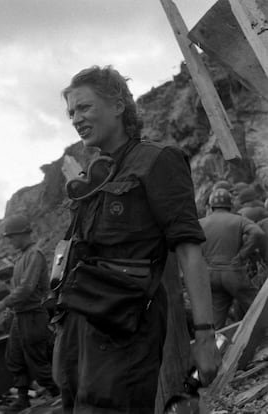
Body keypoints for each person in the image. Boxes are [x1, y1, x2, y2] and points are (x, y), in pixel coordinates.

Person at [52, 65, 220, 414]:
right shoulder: (99, 173)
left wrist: (204, 336)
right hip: (80, 324)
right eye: (71, 112)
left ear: (117, 105)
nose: (76, 118)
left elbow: (189, 250)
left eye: (84, 107)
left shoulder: (158, 160)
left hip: (125, 327)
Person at [0, 214, 59, 411]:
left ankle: (60, 394)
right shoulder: (22, 257)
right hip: (20, 316)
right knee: (14, 357)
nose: (10, 241)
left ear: (22, 234)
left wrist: (3, 303)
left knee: (38, 361)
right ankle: (22, 398)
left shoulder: (34, 255)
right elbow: (18, 290)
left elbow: (27, 288)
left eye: (11, 237)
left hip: (34, 315)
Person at [199, 189, 264, 329]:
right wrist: (242, 254)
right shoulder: (238, 219)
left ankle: (218, 348)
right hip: (233, 272)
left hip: (210, 275)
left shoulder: (201, 223)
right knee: (259, 308)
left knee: (216, 323)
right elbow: (258, 232)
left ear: (211, 206)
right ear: (230, 205)